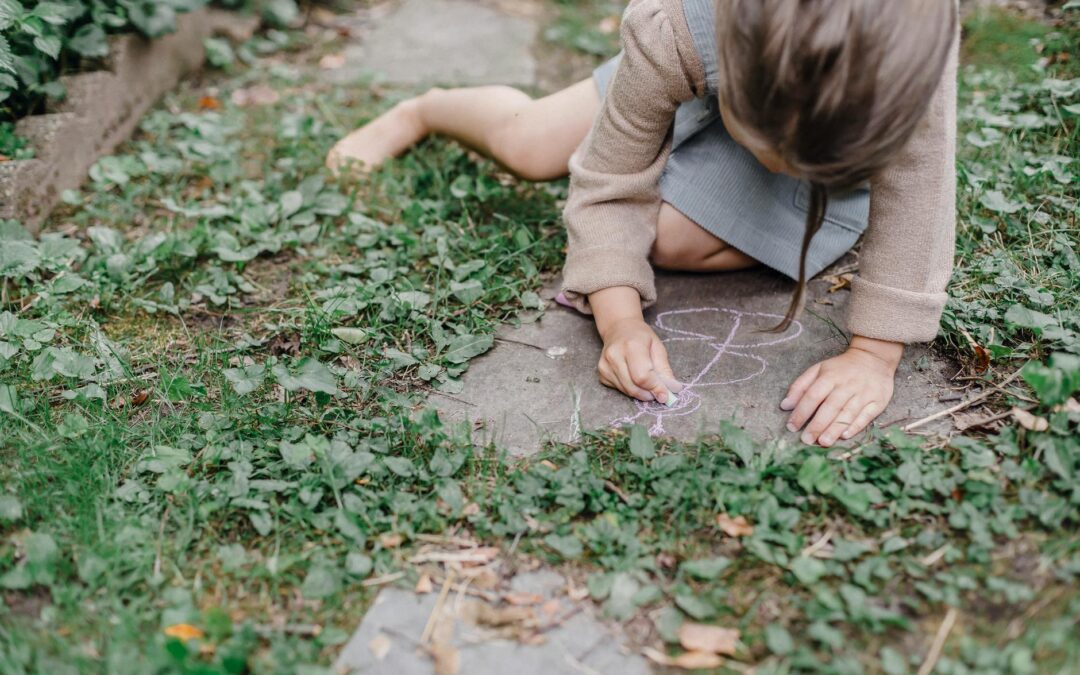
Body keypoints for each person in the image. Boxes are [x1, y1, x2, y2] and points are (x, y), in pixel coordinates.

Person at [326, 0, 960, 448]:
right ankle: (424, 110)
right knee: (529, 144)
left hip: (833, 159)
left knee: (669, 239)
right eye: (767, 148)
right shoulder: (676, 25)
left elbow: (919, 191)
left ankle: (757, 161)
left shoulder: (907, 57)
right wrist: (619, 319)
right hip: (700, 71)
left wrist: (874, 354)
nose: (773, 163)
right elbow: (608, 179)